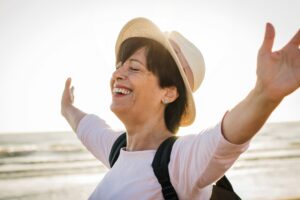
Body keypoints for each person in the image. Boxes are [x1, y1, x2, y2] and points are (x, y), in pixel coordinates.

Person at [61, 17, 300, 199]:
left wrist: (264, 94)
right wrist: (67, 107)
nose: (117, 74)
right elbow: (87, 126)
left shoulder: (178, 162)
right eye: (119, 65)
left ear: (169, 92)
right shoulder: (116, 150)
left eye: (133, 68)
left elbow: (226, 137)